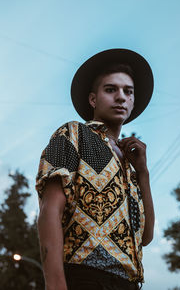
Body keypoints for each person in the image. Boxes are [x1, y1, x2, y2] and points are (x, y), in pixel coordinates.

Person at [36, 48, 155, 290]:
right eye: (111, 89)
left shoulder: (130, 164)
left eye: (128, 91)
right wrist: (56, 285)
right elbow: (51, 211)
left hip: (129, 284)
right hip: (84, 278)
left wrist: (143, 173)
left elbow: (146, 237)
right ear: (93, 99)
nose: (121, 97)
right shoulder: (73, 134)